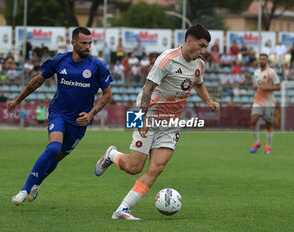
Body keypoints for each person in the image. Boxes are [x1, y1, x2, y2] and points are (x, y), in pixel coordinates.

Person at [94, 24, 220, 220]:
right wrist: (142, 118)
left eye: (206, 47)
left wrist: (209, 100)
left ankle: (122, 209)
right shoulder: (166, 60)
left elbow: (199, 83)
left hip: (172, 121)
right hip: (145, 114)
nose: (204, 51)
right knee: (135, 167)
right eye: (202, 46)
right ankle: (112, 154)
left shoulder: (199, 64)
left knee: (157, 168)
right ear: (189, 41)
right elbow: (147, 89)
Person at [8, 27, 113, 206]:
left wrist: (91, 114)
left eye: (90, 43)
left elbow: (108, 95)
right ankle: (25, 189)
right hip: (59, 114)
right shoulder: (60, 60)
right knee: (53, 148)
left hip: (79, 122)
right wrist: (18, 99)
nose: (88, 47)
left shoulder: (97, 66)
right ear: (73, 43)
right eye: (83, 43)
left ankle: (38, 182)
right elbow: (37, 80)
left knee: (56, 157)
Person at [250, 53, 281, 155]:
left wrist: (266, 89)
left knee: (268, 125)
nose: (262, 61)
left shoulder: (271, 72)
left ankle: (268, 146)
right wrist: (255, 86)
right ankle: (258, 142)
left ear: (267, 61)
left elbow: (278, 87)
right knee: (253, 121)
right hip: (258, 101)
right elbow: (257, 84)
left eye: (264, 59)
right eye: (260, 59)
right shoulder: (256, 72)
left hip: (269, 102)